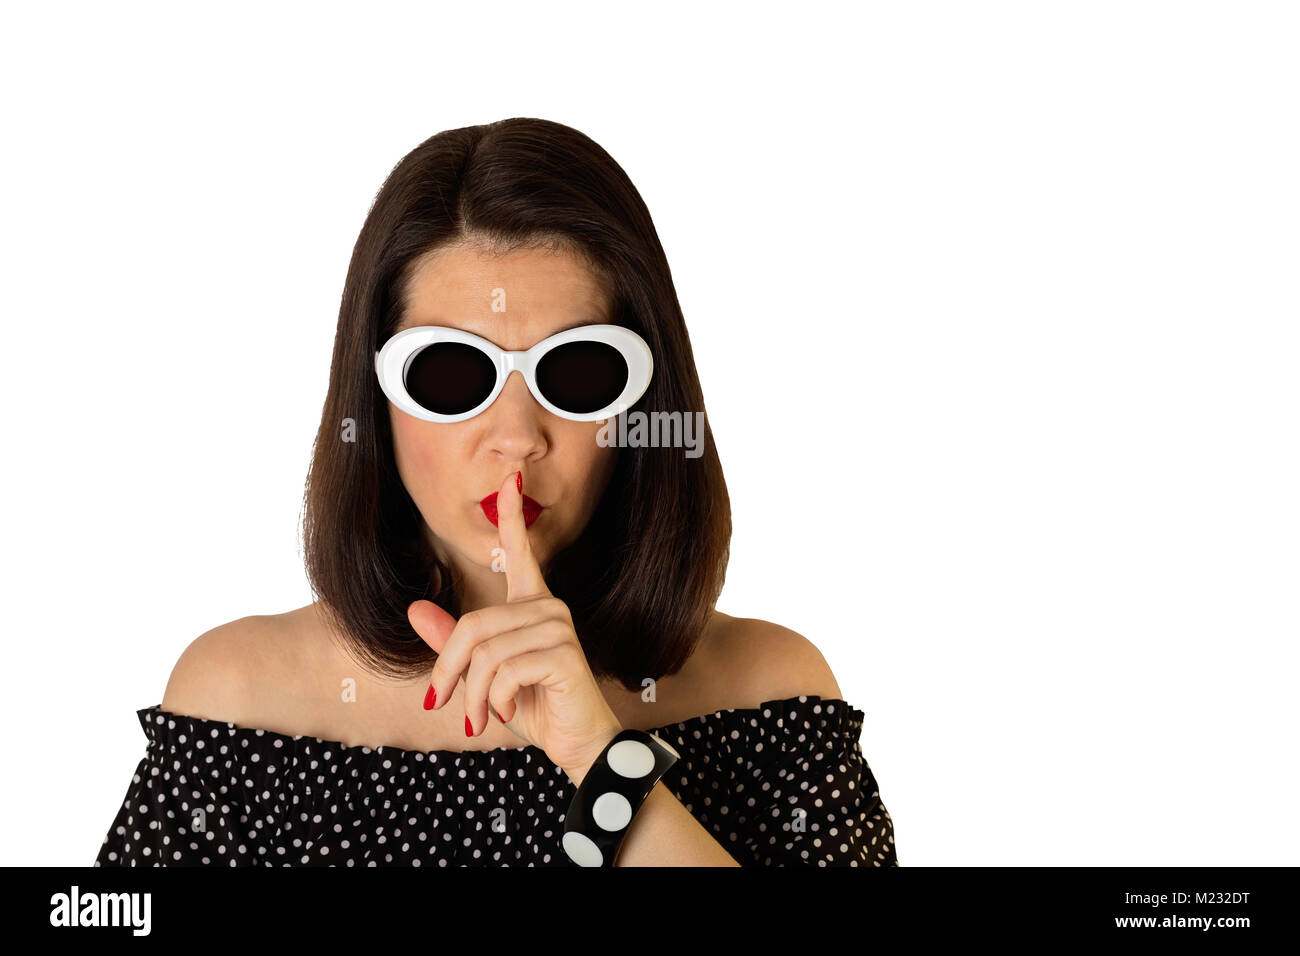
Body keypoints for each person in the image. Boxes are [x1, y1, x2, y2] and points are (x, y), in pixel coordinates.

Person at [93, 117, 898, 867]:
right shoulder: (240, 703)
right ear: (376, 405)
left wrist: (603, 762)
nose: (517, 434)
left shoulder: (771, 692)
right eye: (451, 374)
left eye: (578, 371)